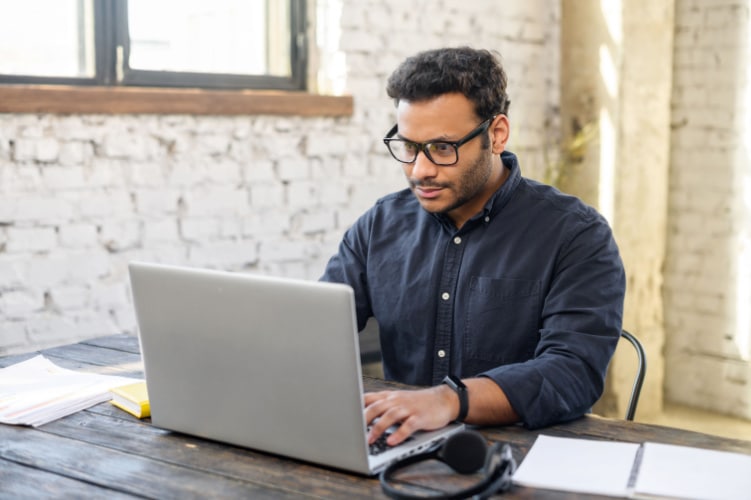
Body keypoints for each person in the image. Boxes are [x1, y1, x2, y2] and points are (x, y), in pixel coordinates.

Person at [320, 47, 625, 448]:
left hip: (517, 451)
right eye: (409, 146)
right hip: (394, 443)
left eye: (443, 148)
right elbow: (318, 330)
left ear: (496, 134)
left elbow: (572, 373)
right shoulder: (380, 226)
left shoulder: (576, 235)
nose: (420, 170)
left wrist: (449, 400)